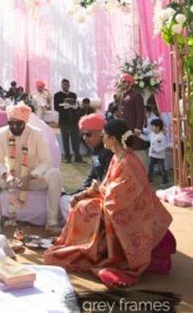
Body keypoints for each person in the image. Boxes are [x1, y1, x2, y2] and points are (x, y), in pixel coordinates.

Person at [44, 119, 173, 288]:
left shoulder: (128, 162)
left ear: (113, 139)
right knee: (80, 205)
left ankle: (90, 251)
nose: (102, 138)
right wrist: (86, 193)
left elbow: (120, 196)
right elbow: (107, 186)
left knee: (86, 210)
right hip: (114, 203)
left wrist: (97, 191)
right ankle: (80, 246)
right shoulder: (117, 157)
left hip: (132, 212)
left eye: (104, 136)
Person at [0, 103, 63, 234]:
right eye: (11, 123)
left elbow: (46, 162)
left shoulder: (36, 134)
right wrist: (7, 175)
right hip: (10, 180)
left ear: (25, 122)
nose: (14, 127)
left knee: (55, 174)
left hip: (31, 179)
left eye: (18, 124)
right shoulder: (1, 133)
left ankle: (52, 222)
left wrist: (29, 176)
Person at [59, 113, 113, 221]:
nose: (85, 138)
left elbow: (106, 181)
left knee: (67, 202)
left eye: (88, 134)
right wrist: (79, 192)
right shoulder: (96, 152)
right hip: (97, 194)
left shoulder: (109, 153)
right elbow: (93, 175)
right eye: (83, 135)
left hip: (107, 200)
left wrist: (85, 194)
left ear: (101, 133)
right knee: (64, 198)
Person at [118, 74, 147, 167]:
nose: (122, 84)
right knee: (126, 148)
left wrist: (139, 127)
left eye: (124, 81)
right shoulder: (123, 95)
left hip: (133, 129)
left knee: (136, 150)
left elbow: (140, 113)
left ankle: (141, 170)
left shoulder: (136, 96)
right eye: (121, 82)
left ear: (130, 83)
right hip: (124, 128)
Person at [54, 78, 84, 163]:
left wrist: (74, 107)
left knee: (75, 140)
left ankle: (77, 156)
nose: (65, 86)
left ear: (69, 85)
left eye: (66, 85)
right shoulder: (57, 95)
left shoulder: (73, 95)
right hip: (64, 121)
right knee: (65, 140)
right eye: (63, 85)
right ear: (61, 85)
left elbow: (76, 106)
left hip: (74, 121)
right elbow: (56, 107)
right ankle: (67, 157)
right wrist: (65, 106)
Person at [139, 118, 170, 186]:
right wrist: (139, 135)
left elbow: (164, 146)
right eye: (152, 126)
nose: (153, 128)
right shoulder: (151, 134)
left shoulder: (162, 136)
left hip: (160, 156)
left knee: (162, 169)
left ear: (158, 127)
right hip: (152, 155)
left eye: (154, 126)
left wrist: (157, 150)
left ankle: (165, 181)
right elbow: (146, 139)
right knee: (150, 168)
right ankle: (149, 180)